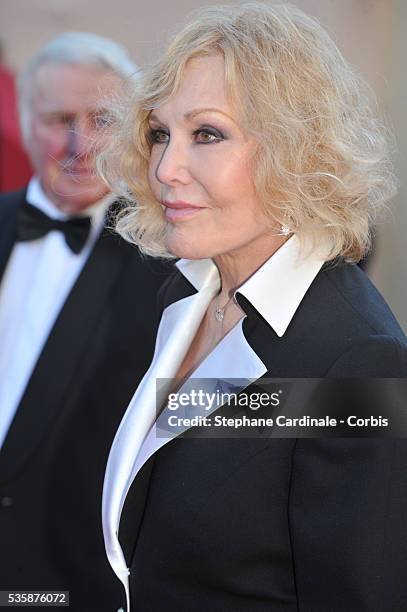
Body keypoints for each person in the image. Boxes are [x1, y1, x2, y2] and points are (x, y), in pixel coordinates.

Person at [101, 4, 407, 611]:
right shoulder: (189, 295)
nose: (166, 168)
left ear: (297, 150)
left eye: (207, 134)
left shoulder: (358, 360)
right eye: (160, 133)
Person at [0, 32, 168, 611]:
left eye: (101, 119)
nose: (80, 143)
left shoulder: (171, 260)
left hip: (71, 580)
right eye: (59, 119)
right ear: (25, 123)